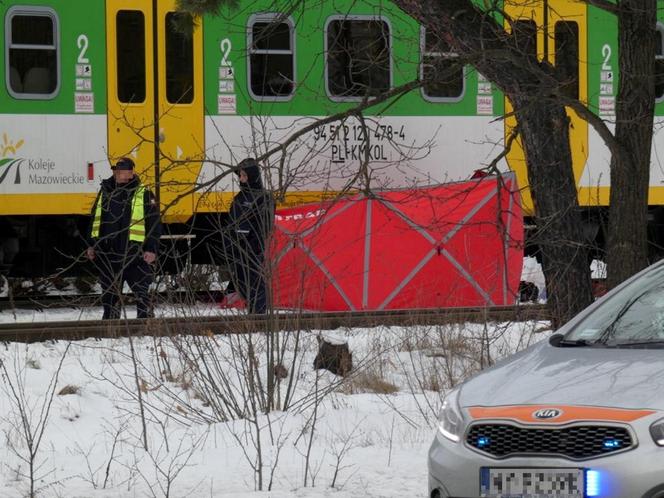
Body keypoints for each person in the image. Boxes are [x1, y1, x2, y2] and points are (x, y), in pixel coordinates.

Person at [86, 157, 161, 319]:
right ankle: (111, 328)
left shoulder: (144, 194)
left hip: (135, 254)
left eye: (122, 170)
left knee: (142, 294)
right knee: (109, 296)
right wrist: (92, 245)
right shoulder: (106, 191)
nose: (118, 173)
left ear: (131, 172)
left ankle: (145, 326)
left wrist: (151, 249)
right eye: (116, 170)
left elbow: (154, 224)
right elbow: (95, 220)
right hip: (108, 253)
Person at [221, 157, 274, 314]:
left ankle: (259, 313)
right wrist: (229, 244)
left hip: (251, 249)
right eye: (240, 176)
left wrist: (253, 246)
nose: (242, 179)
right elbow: (231, 222)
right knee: (241, 281)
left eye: (244, 175)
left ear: (253, 175)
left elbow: (264, 226)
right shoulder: (239, 198)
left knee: (255, 282)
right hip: (236, 249)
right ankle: (253, 310)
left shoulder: (264, 197)